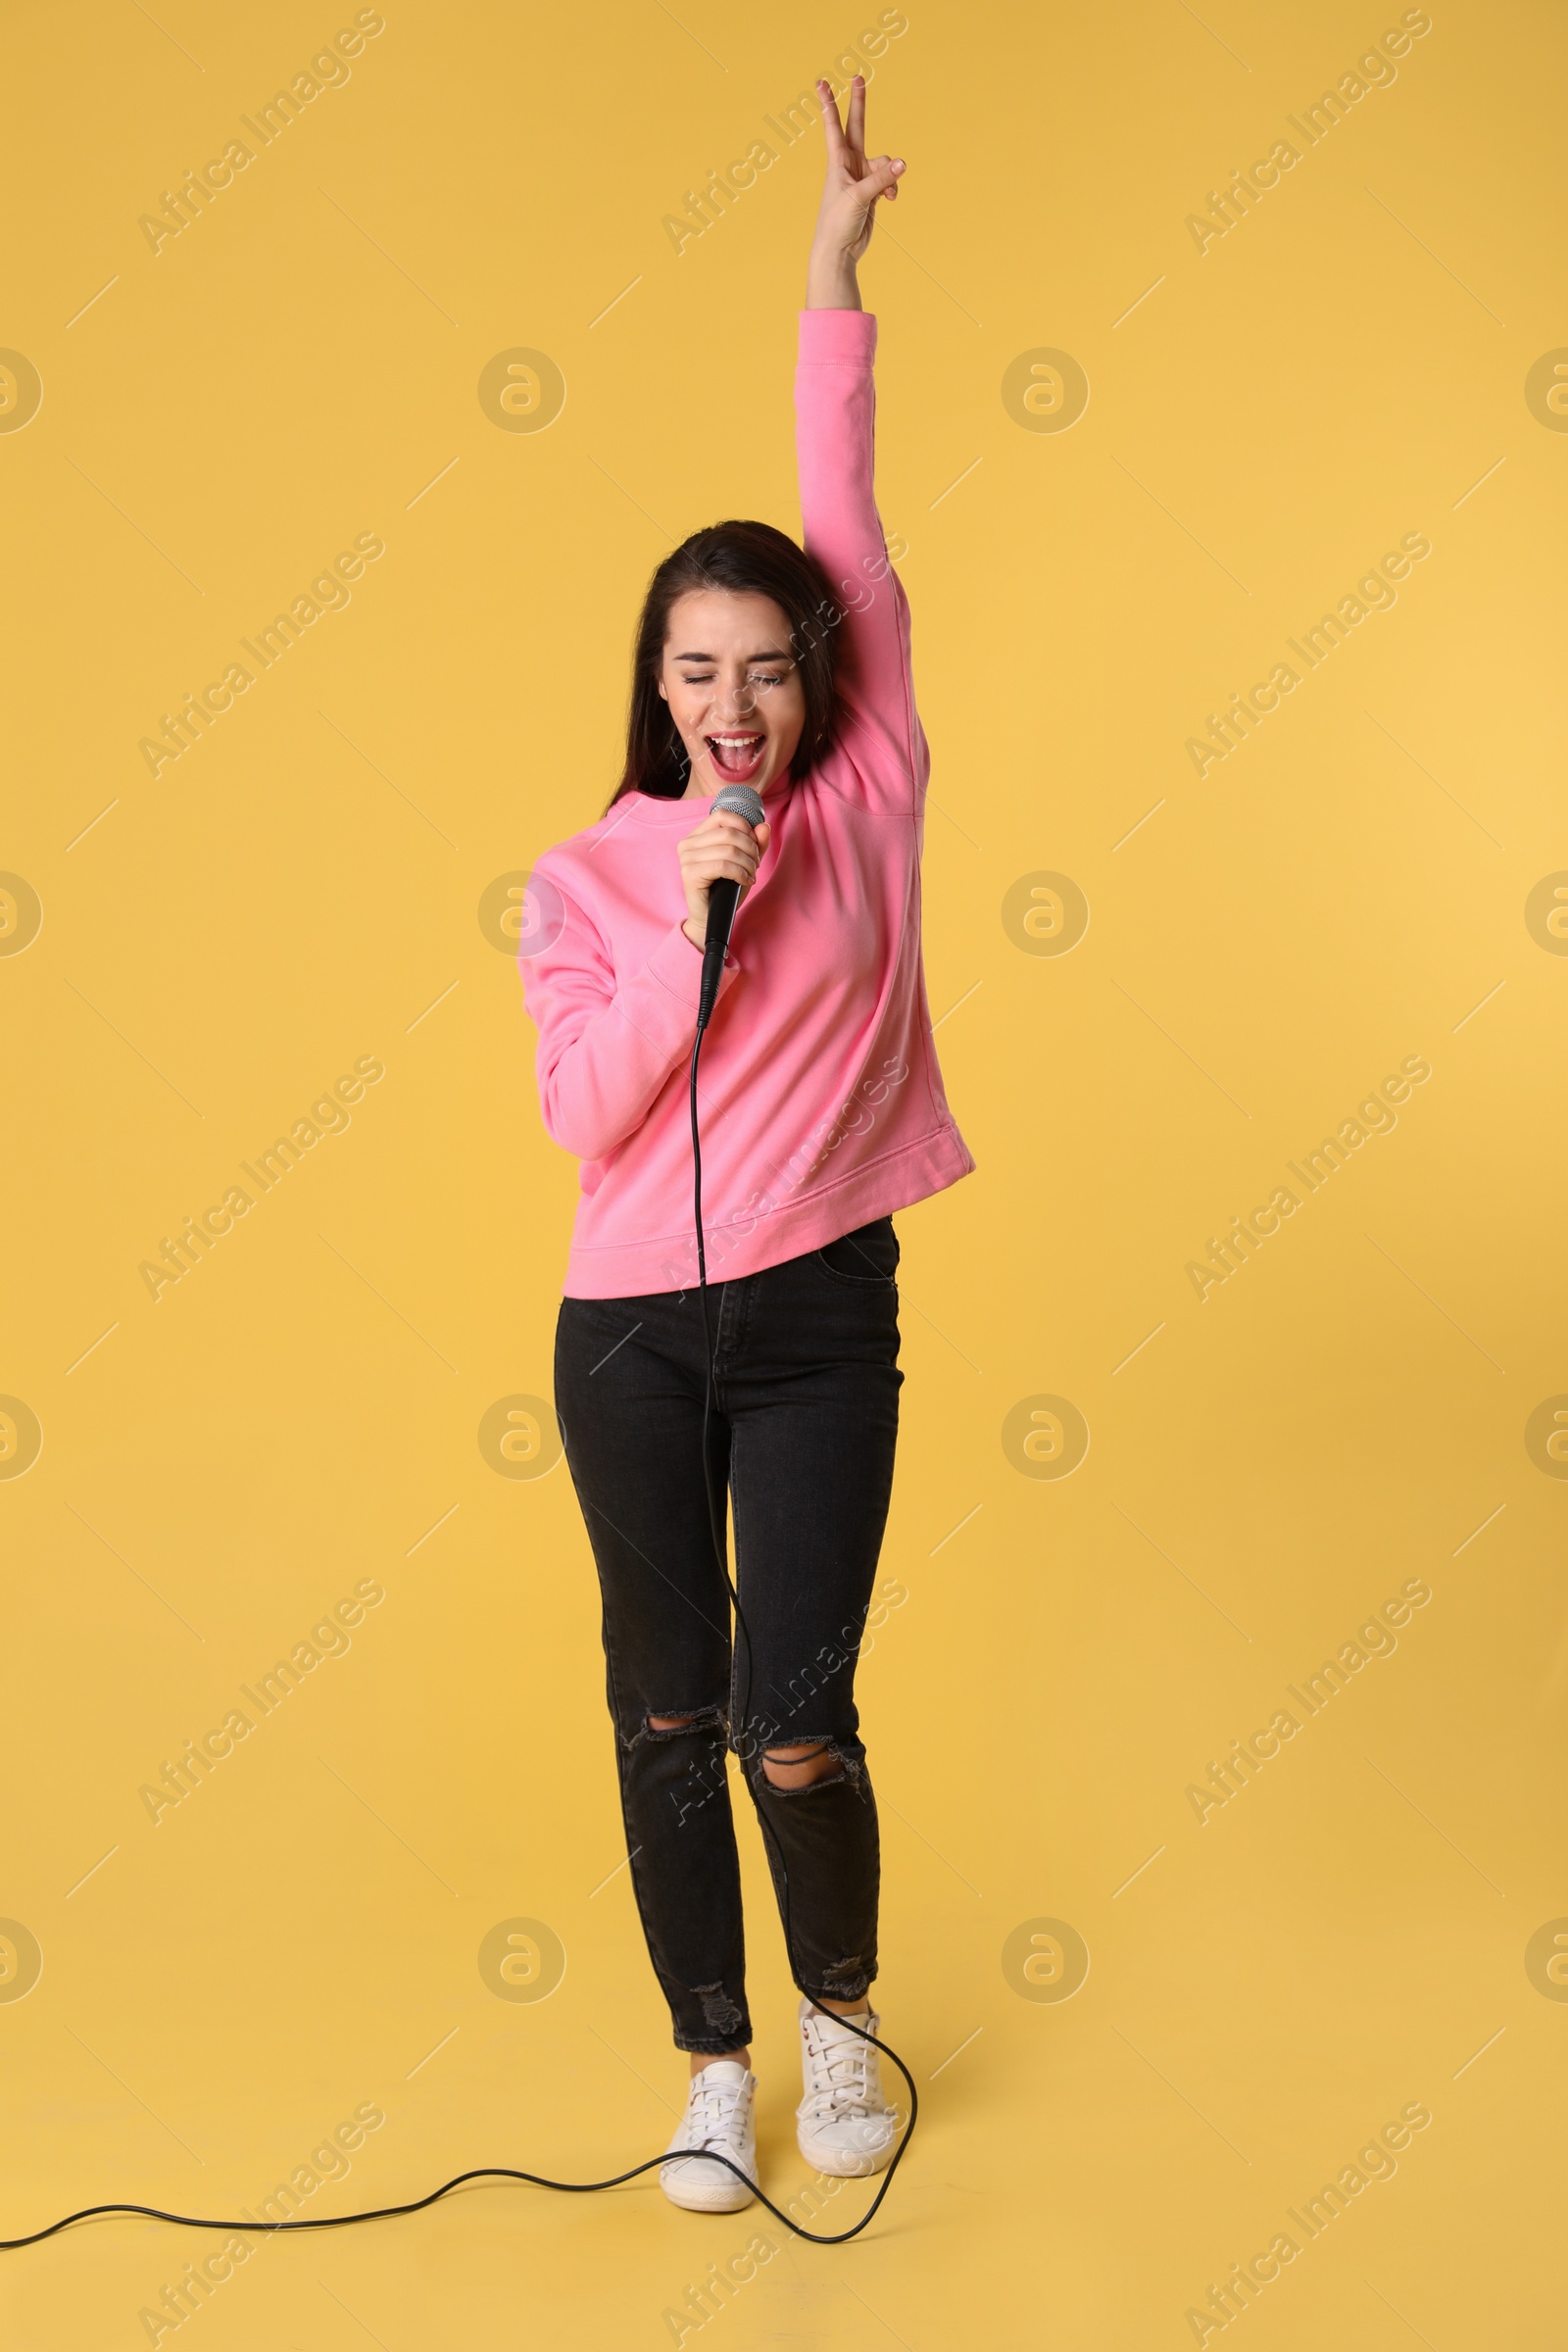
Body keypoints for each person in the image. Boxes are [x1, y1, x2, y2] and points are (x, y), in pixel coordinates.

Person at [518, 75, 974, 2214]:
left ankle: (836, 2019)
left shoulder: (867, 784)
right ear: (657, 685)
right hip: (625, 1330)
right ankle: (709, 2067)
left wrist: (827, 276)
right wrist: (686, 945)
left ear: (817, 683)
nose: (733, 702)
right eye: (695, 671)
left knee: (796, 1709)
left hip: (813, 1314)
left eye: (765, 669)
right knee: (659, 1715)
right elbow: (580, 1118)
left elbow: (842, 496)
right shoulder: (596, 877)